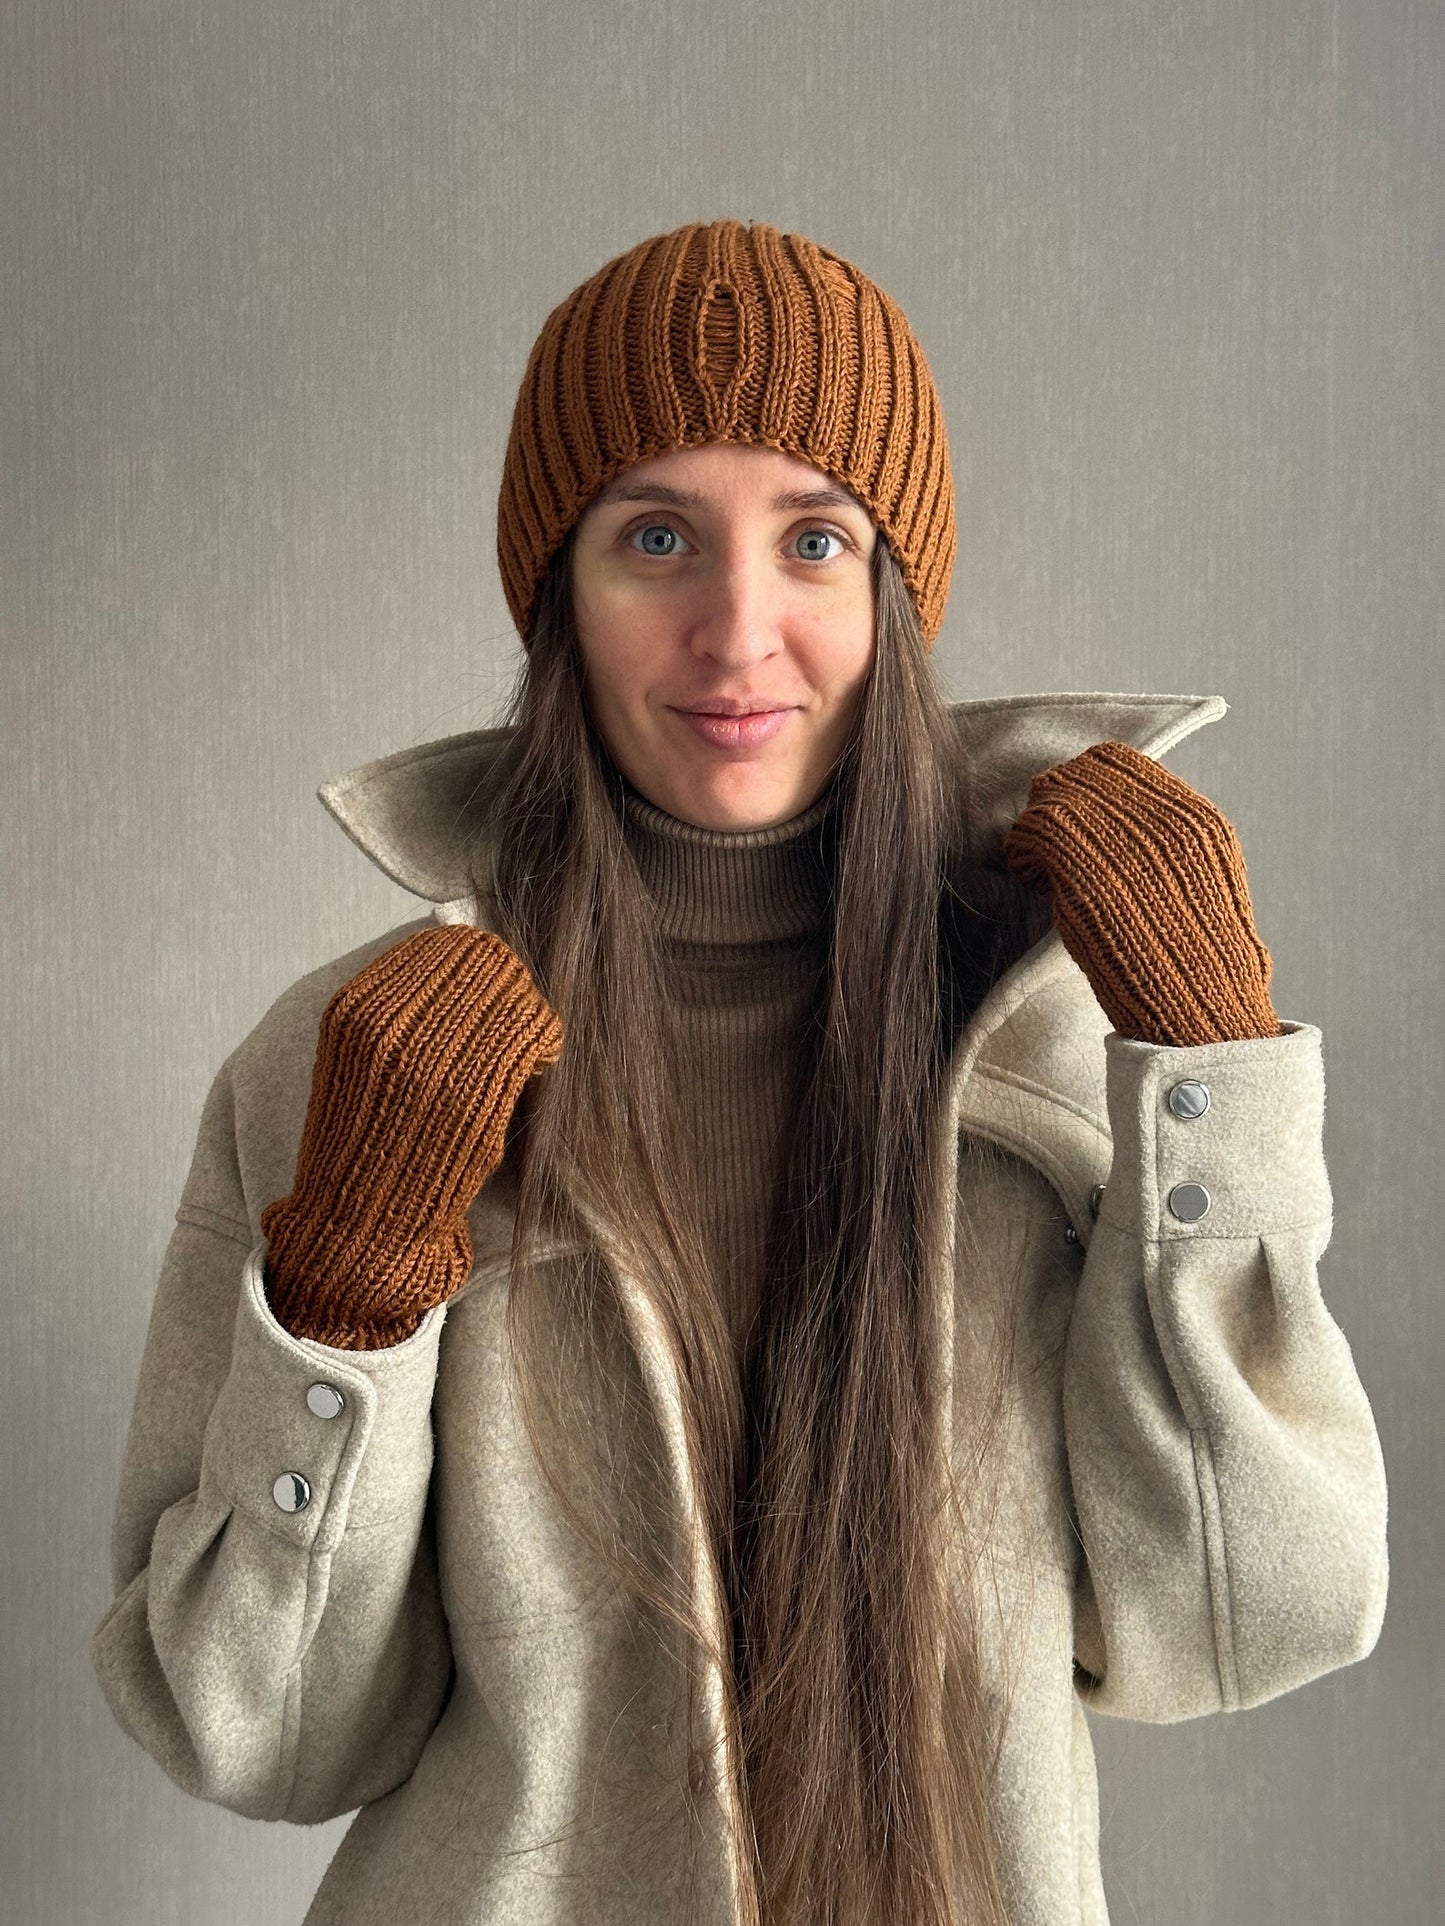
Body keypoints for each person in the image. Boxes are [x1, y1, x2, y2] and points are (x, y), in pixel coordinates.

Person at [92, 218, 1389, 1926]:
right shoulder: (364, 1063)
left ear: (893, 592)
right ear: (559, 591)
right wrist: (344, 1287)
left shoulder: (1067, 1042)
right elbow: (255, 1735)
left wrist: (1210, 1075)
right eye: (653, 537)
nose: (737, 630)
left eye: (813, 539)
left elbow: (1243, 1623)